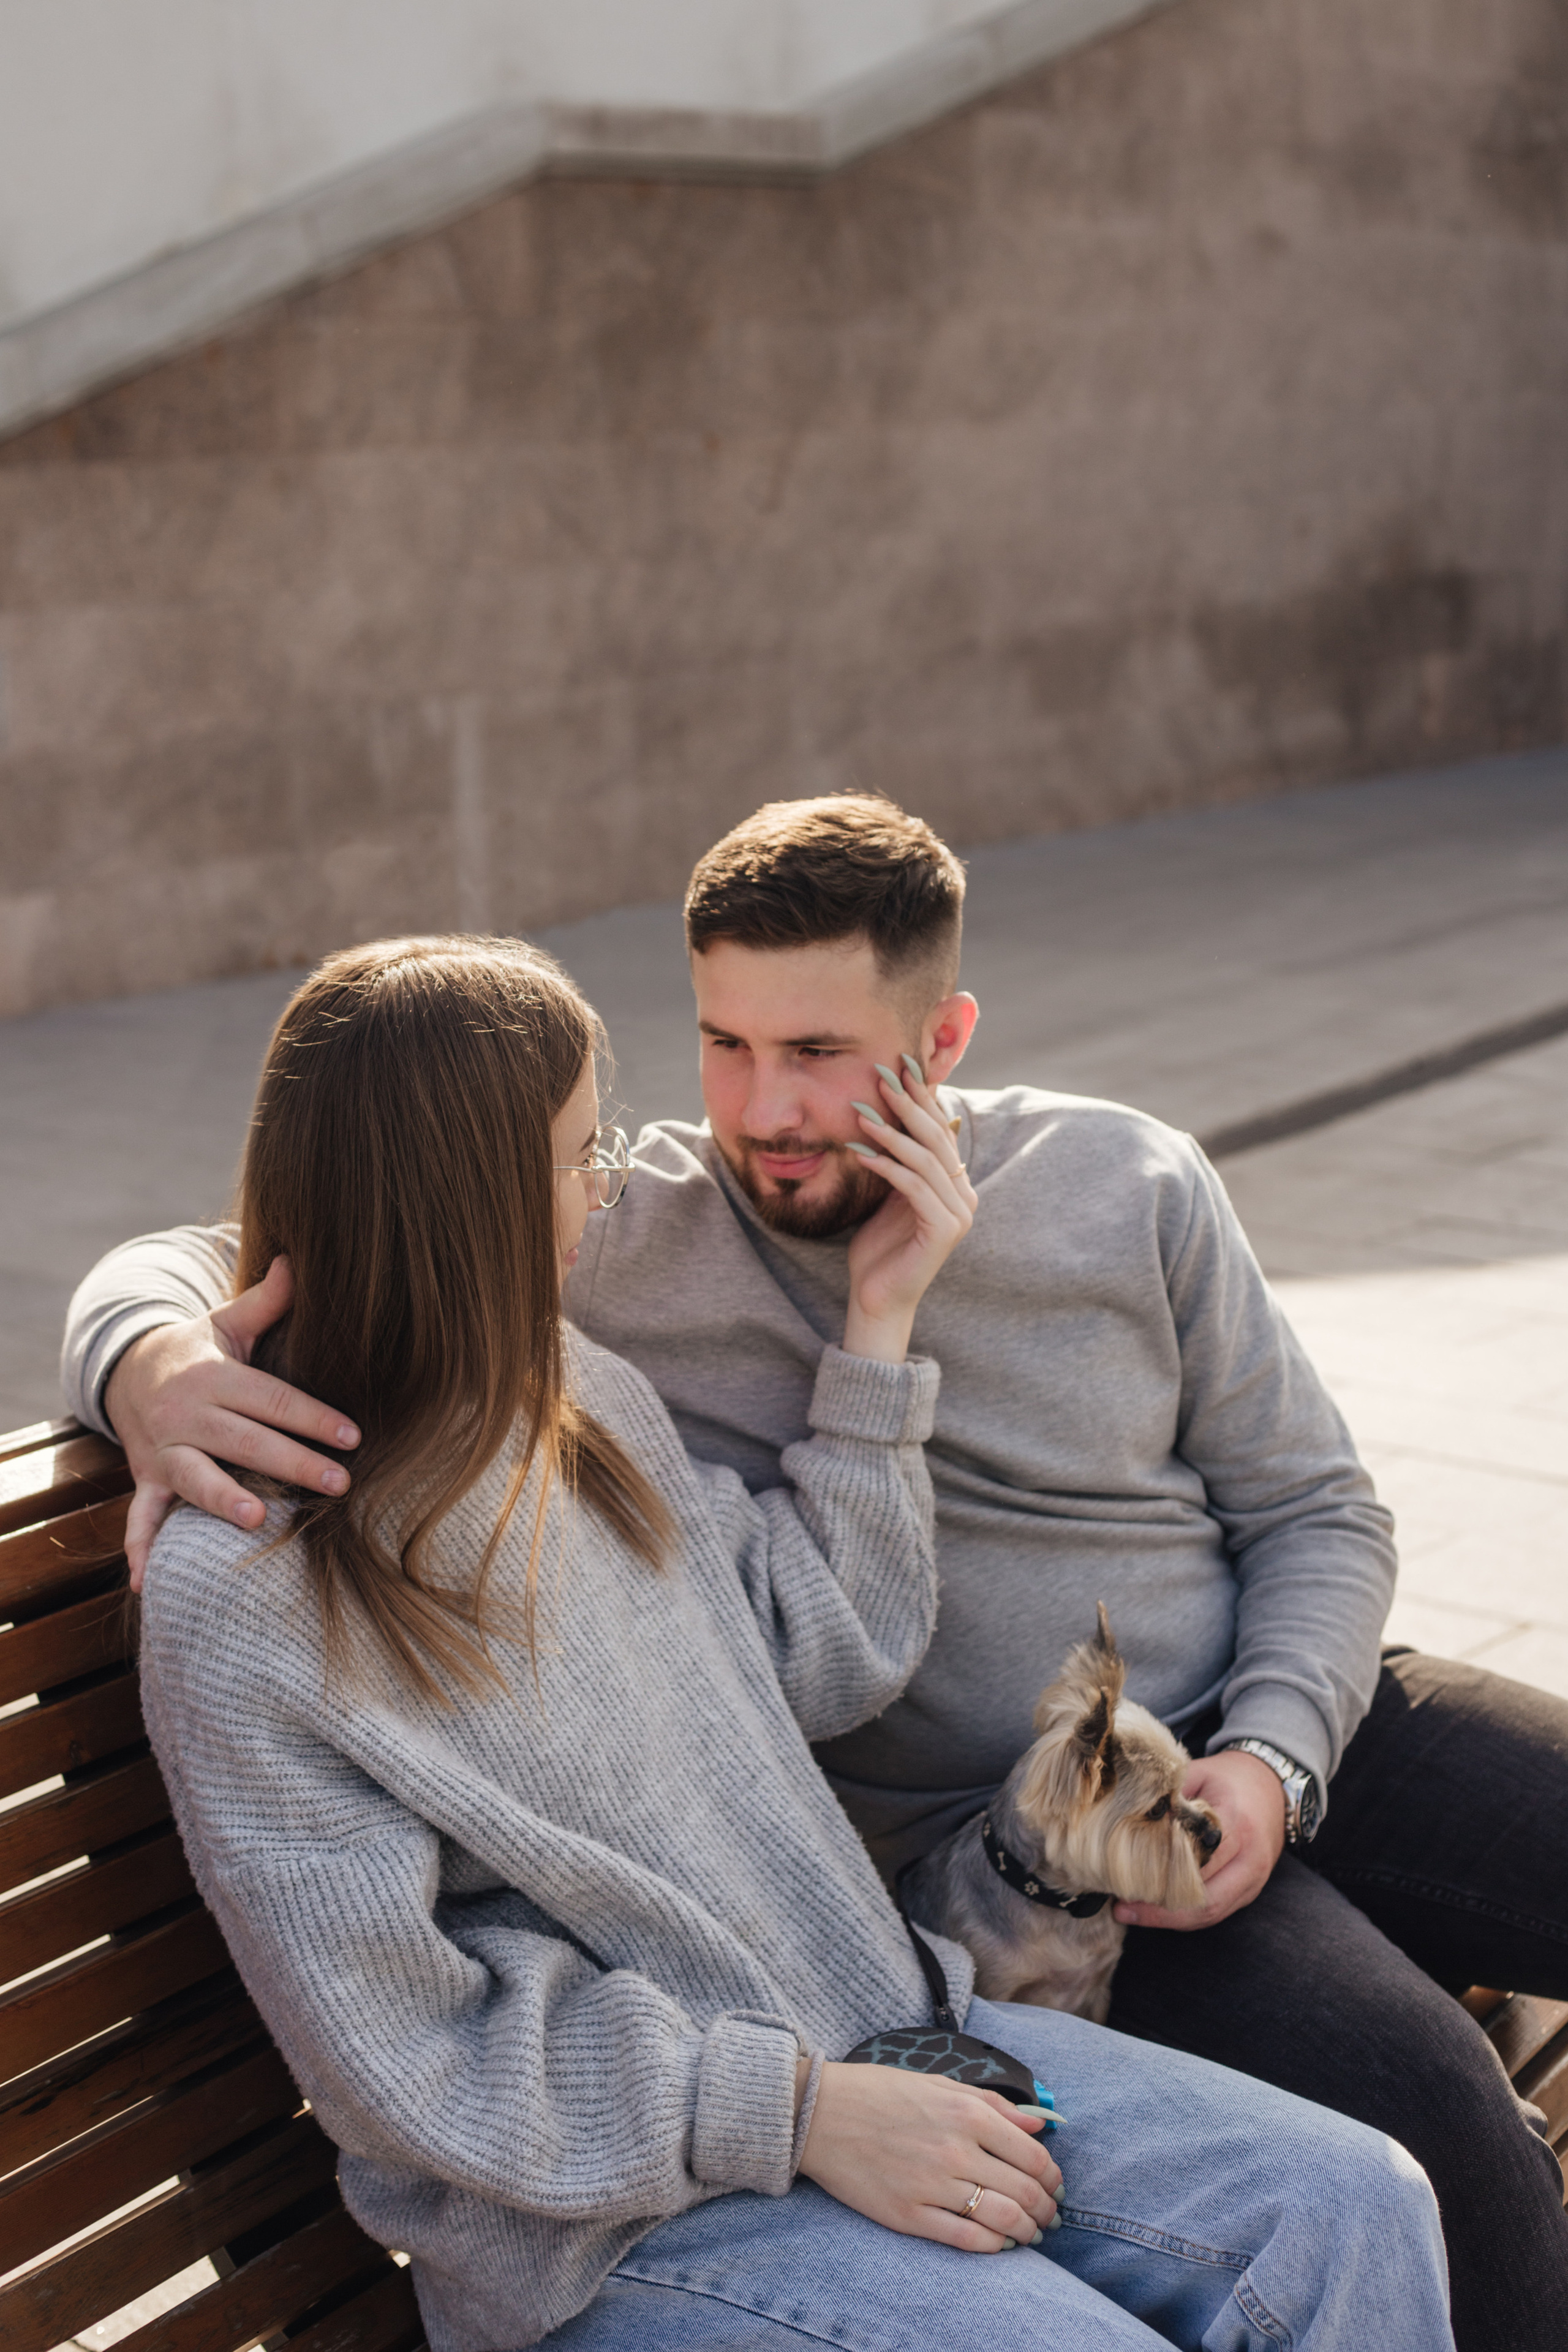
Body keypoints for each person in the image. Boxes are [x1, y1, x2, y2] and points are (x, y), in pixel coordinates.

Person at [64, 802, 1567, 2350]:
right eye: (702, 1059)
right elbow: (409, 2040)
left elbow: (856, 1632)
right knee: (1428, 2142)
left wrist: (881, 1334)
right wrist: (147, 1358)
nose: (733, 1118)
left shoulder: (586, 1404)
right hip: (660, 2181)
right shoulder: (264, 1580)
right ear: (474, 1201)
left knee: (1357, 2205)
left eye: (817, 1051)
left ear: (943, 1037)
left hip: (1047, 1899)